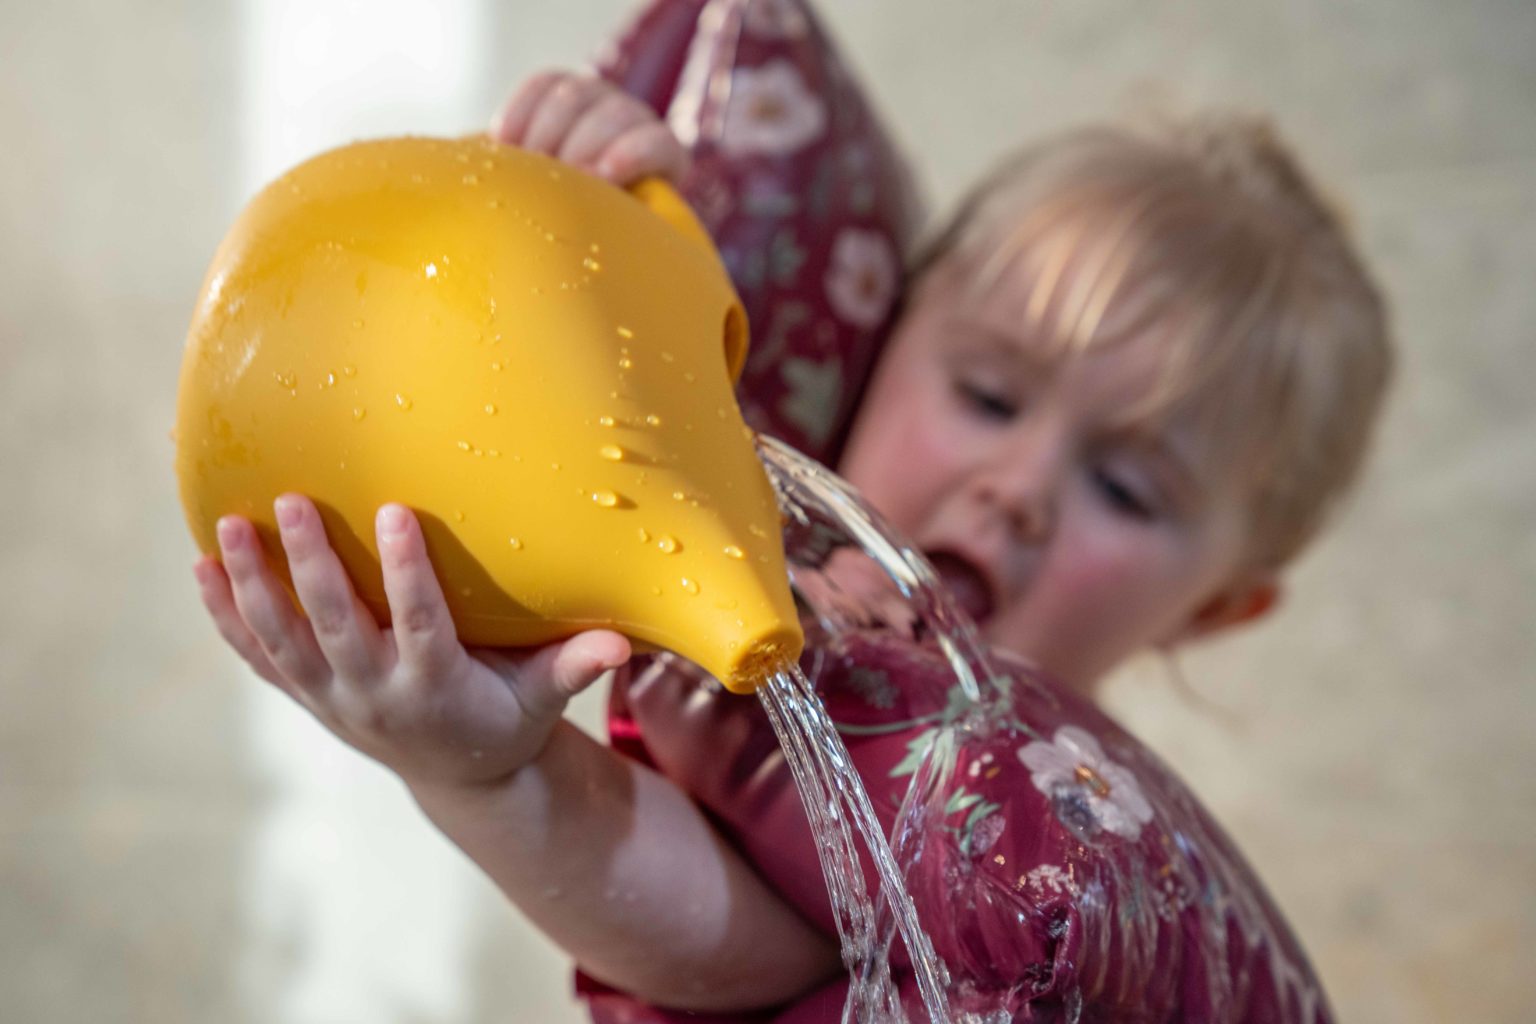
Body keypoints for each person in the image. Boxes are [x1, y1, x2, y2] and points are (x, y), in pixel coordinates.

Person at [193, 67, 1392, 1022]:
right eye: (985, 394)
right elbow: (733, 956)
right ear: (882, 340)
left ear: (1215, 609)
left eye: (1126, 488)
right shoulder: (731, 640)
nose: (1017, 487)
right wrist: (598, 209)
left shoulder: (1055, 854)